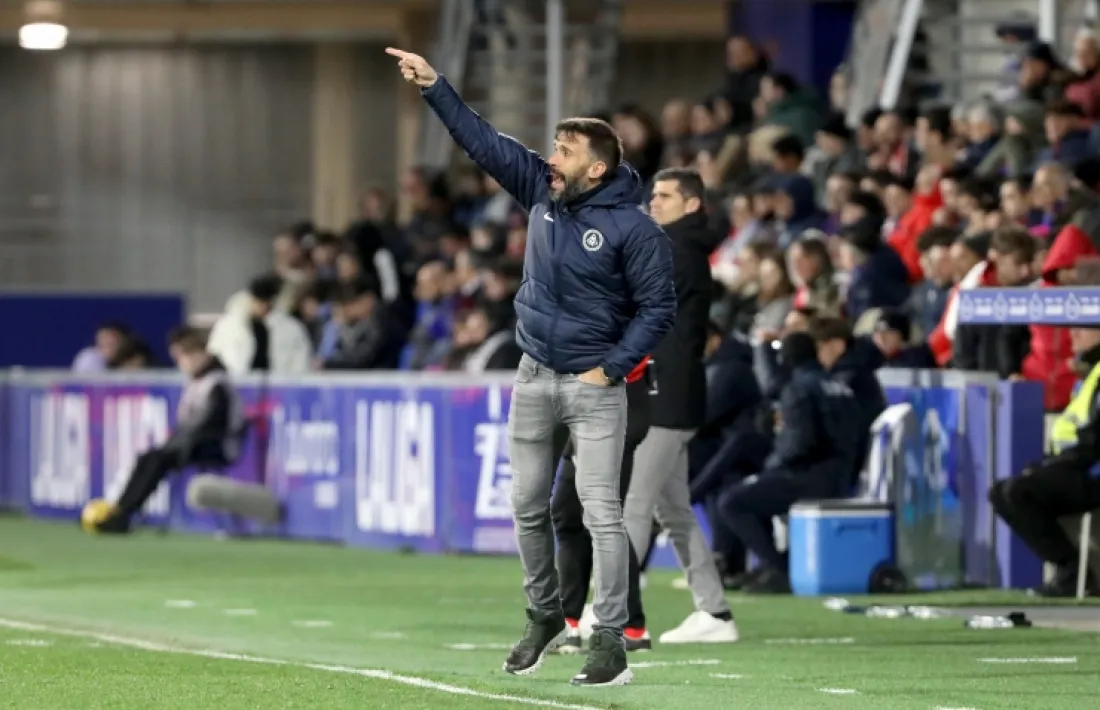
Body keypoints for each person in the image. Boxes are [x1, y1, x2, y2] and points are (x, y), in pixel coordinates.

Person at [387, 47, 675, 686]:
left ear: (595, 168)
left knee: (601, 512)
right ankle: (544, 614)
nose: (552, 159)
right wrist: (435, 87)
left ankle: (608, 638)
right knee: (525, 505)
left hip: (595, 385)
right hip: (535, 374)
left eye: (565, 152)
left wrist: (614, 368)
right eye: (553, 147)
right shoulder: (542, 193)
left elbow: (659, 308)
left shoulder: (635, 230)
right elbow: (483, 142)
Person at [622, 167, 737, 644]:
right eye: (654, 194)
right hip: (672, 391)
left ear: (692, 204)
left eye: (666, 195)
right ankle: (715, 612)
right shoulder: (678, 247)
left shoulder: (677, 248)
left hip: (666, 394)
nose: (655, 201)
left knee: (634, 506)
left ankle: (611, 613)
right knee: (673, 510)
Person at [718, 332, 862, 593]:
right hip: (840, 477)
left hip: (808, 477)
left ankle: (781, 569)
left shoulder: (798, 389)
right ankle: (775, 566)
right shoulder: (840, 387)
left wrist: (770, 467)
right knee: (752, 497)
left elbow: (800, 443)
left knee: (733, 502)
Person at [90, 327, 247, 534]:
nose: (183, 364)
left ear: (201, 354)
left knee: (157, 459)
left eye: (185, 358)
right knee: (148, 458)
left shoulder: (217, 384)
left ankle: (125, 514)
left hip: (215, 446)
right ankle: (121, 511)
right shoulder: (197, 383)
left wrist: (177, 444)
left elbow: (211, 424)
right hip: (190, 443)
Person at [989, 326, 1100, 597]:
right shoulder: (1090, 372)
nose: (1072, 336)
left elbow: (1094, 441)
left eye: (1082, 329)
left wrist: (1052, 467)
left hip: (1092, 472)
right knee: (1002, 492)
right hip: (1077, 465)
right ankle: (1071, 570)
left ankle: (1072, 573)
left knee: (1018, 491)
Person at [554, 358, 654, 654]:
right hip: (589, 400)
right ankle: (569, 621)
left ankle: (628, 626)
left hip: (613, 397)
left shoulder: (620, 312)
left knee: (601, 518)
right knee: (569, 513)